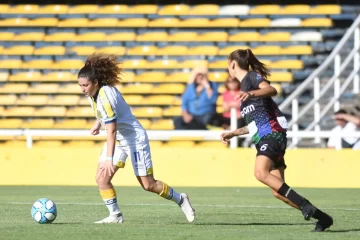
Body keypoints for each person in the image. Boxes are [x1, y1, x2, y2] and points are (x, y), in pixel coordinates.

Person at [220, 49, 333, 232]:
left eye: (228, 64)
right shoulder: (244, 90)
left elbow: (272, 89)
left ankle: (305, 206)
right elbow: (257, 123)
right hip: (266, 135)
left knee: (260, 172)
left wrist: (253, 93)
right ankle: (323, 218)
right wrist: (234, 133)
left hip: (272, 135)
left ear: (232, 64)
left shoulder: (250, 78)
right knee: (278, 191)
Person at [77, 53, 195, 223]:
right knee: (101, 178)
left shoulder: (105, 96)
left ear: (95, 82)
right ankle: (115, 215)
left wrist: (109, 158)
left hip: (133, 139)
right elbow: (105, 114)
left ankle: (181, 199)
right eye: (80, 85)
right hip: (119, 140)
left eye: (85, 85)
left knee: (148, 185)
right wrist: (98, 122)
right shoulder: (94, 93)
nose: (82, 89)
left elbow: (111, 130)